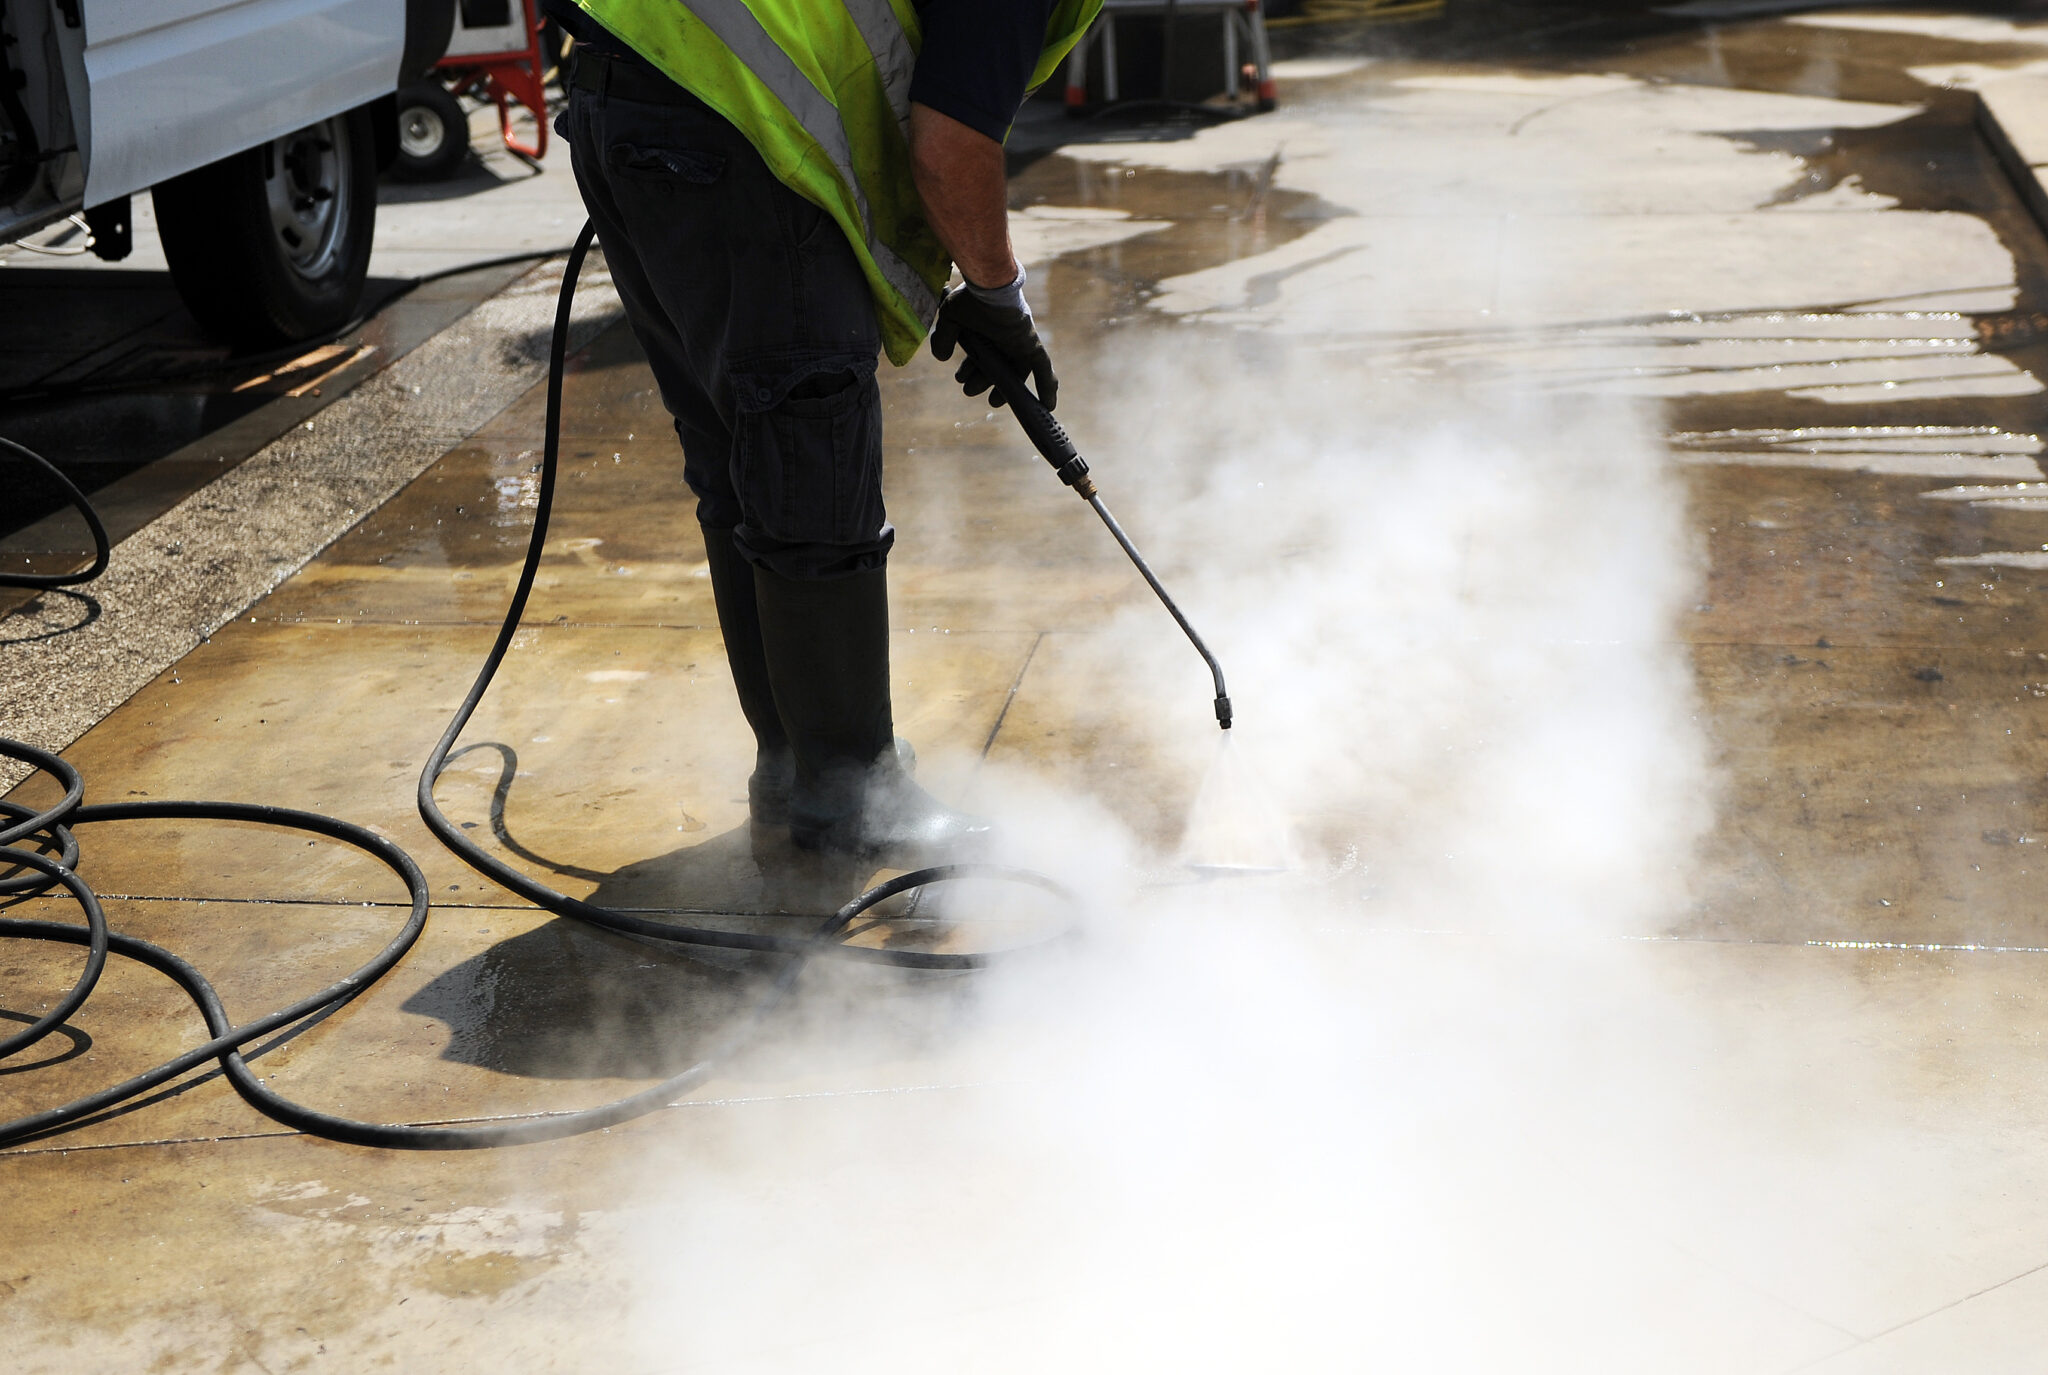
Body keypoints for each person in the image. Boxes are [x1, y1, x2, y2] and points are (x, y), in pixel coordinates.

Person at [539, 0, 1099, 864]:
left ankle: (794, 763)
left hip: (628, 87)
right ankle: (850, 793)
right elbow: (949, 146)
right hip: (736, 129)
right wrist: (998, 300)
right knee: (809, 461)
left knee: (736, 452)